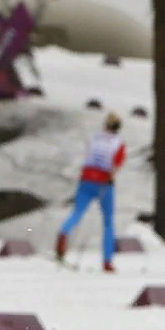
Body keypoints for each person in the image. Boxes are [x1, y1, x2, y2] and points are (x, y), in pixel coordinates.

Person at [56, 112, 125, 272]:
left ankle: (63, 232)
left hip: (86, 179)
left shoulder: (94, 138)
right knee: (108, 222)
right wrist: (110, 178)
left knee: (77, 213)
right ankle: (107, 261)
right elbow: (115, 166)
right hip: (104, 184)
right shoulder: (118, 144)